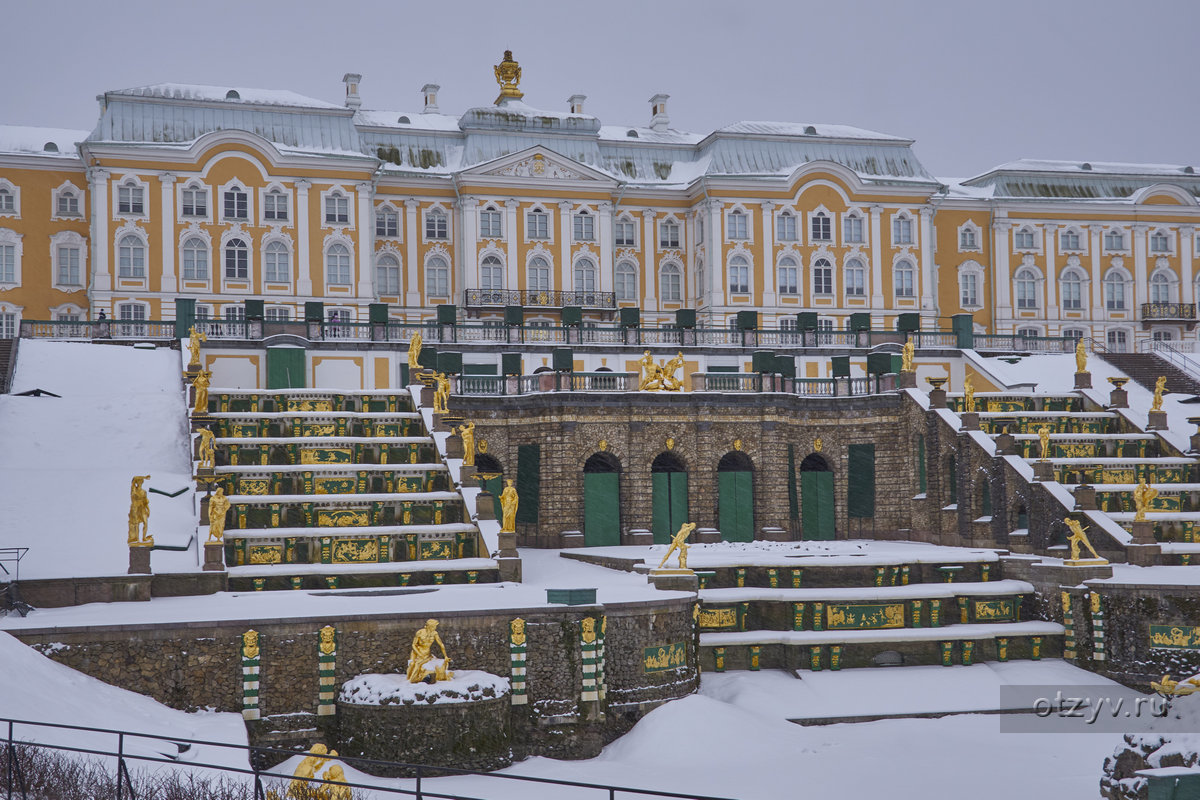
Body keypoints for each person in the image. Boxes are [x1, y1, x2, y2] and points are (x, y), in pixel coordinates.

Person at [406, 619, 450, 683]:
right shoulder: (420, 632)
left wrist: (445, 656)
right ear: (430, 626)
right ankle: (411, 677)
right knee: (413, 664)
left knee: (421, 664)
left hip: (426, 652)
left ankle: (419, 677)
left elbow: (441, 644)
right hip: (417, 652)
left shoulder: (435, 633)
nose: (435, 628)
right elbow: (413, 645)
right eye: (434, 626)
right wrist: (419, 654)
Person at [127, 475, 153, 546]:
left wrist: (148, 509)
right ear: (136, 482)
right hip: (135, 508)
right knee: (136, 524)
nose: (140, 483)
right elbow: (134, 478)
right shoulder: (133, 490)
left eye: (141, 481)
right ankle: (137, 539)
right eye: (138, 481)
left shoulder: (144, 492)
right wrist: (144, 477)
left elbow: (145, 502)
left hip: (142, 508)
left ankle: (144, 537)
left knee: (145, 523)